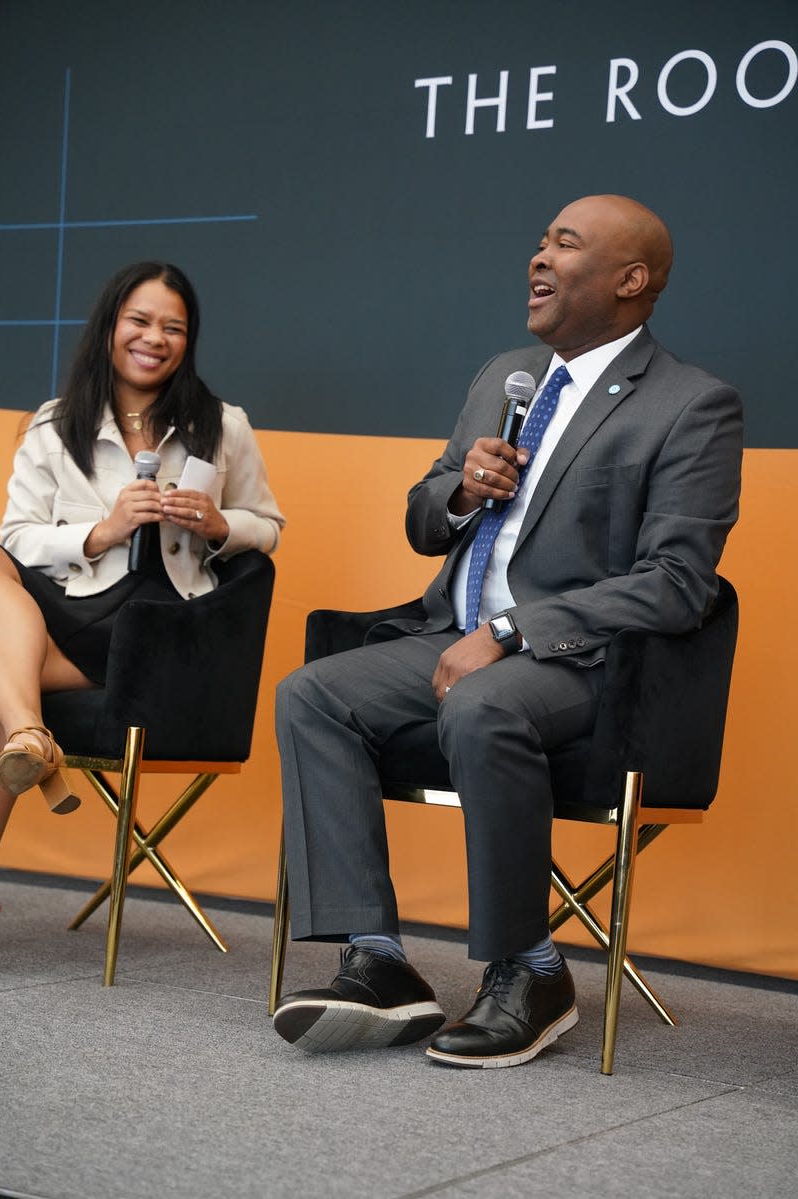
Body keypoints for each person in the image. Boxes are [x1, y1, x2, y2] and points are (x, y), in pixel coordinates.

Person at [272, 194, 743, 1068]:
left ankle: (529, 972)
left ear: (631, 279)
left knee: (483, 705)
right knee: (311, 693)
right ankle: (377, 963)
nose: (539, 256)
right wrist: (461, 491)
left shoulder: (691, 404)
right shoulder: (504, 376)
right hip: (443, 636)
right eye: (539, 240)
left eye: (565, 243)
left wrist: (513, 628)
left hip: (581, 663)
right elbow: (422, 517)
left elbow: (679, 584)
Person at [0, 260, 284, 849]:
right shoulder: (53, 426)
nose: (155, 339)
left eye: (173, 328)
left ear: (188, 341)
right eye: (140, 321)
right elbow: (17, 536)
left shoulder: (223, 425)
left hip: (164, 627)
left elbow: (269, 528)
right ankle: (28, 732)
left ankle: (29, 736)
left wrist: (219, 523)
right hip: (70, 617)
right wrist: (102, 532)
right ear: (110, 328)